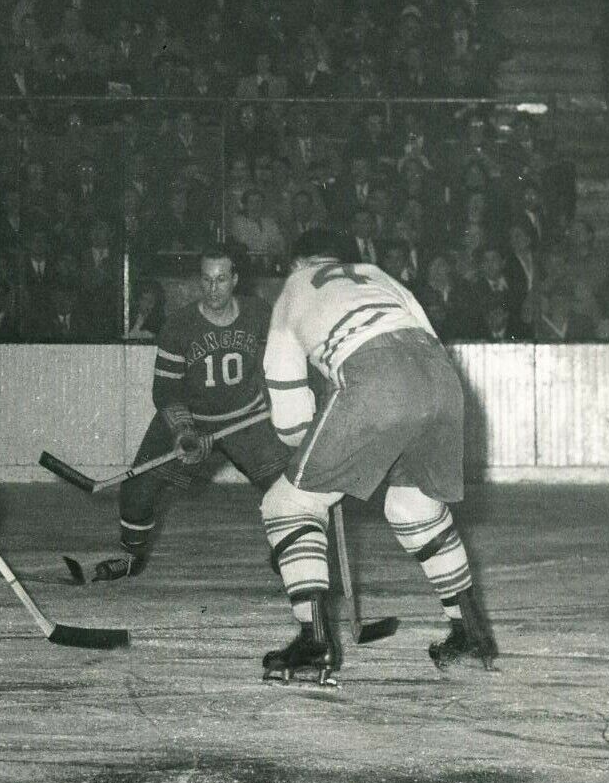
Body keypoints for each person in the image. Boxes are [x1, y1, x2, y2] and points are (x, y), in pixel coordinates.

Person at [258, 227, 498, 684]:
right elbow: (425, 339)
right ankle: (469, 633)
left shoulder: (293, 287)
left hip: (377, 378)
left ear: (296, 263)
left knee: (288, 504)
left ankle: (314, 640)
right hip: (442, 381)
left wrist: (312, 444)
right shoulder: (376, 274)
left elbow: (289, 415)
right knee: (414, 506)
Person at [79, 245, 289, 582]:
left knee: (289, 489)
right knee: (137, 489)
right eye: (206, 280)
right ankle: (131, 556)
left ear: (235, 279)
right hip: (191, 419)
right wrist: (183, 430)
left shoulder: (259, 313)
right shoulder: (179, 325)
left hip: (245, 419)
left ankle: (290, 554)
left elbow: (279, 361)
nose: (213, 288)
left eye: (221, 279)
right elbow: (165, 391)